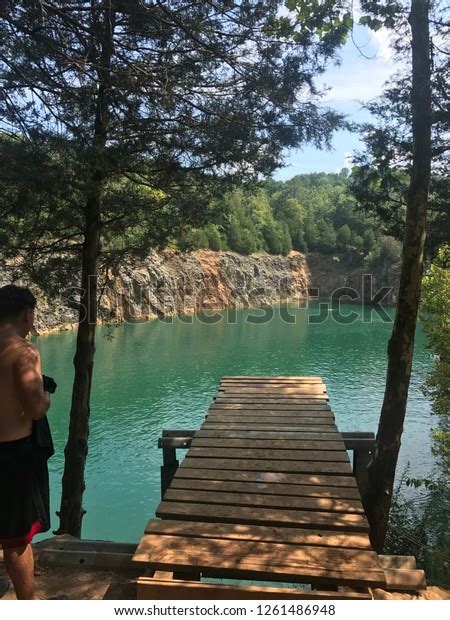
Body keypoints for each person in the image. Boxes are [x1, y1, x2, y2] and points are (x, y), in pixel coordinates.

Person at [0, 284, 52, 600]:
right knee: (18, 540)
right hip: (12, 457)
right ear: (26, 314)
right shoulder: (24, 351)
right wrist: (45, 394)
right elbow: (34, 408)